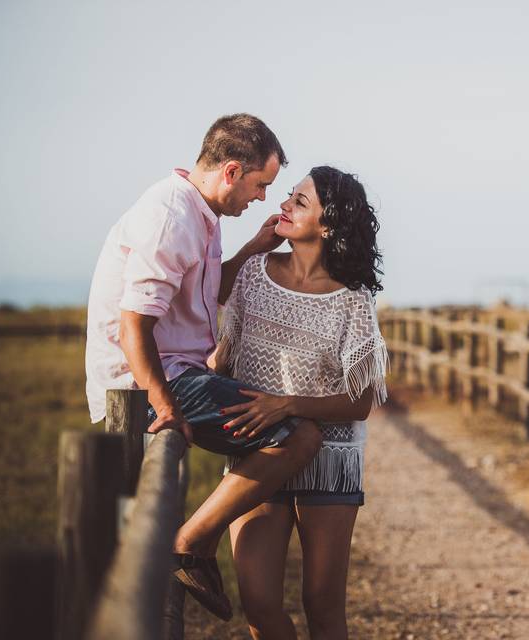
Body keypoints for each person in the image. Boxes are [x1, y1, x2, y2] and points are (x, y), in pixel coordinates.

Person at [85, 114, 334, 620]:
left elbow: (205, 295)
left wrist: (250, 250)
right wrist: (163, 404)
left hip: (179, 371)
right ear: (232, 171)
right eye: (261, 184)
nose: (263, 197)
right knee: (298, 437)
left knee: (286, 429)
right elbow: (133, 324)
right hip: (149, 381)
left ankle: (194, 543)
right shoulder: (170, 216)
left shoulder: (201, 214)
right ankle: (191, 545)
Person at [214, 166, 386, 640]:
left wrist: (288, 404)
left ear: (327, 226)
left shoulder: (352, 299)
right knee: (258, 602)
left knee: (322, 604)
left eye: (300, 202)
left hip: (329, 461)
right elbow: (216, 336)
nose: (284, 205)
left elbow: (360, 401)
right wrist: (251, 246)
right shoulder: (254, 273)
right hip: (258, 451)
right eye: (289, 196)